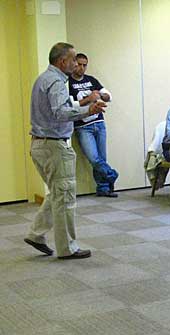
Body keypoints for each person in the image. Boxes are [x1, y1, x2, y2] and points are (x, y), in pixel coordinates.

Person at [25, 42, 106, 260]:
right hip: (54, 146)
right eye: (73, 60)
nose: (76, 63)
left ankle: (36, 234)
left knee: (58, 193)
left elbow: (57, 109)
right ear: (62, 62)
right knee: (65, 198)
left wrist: (82, 107)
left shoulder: (44, 78)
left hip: (40, 144)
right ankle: (67, 248)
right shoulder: (57, 81)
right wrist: (88, 109)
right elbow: (61, 113)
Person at [68, 53, 119, 197]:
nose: (81, 68)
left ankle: (103, 188)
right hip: (82, 125)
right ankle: (112, 174)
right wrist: (89, 98)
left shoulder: (91, 80)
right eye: (79, 64)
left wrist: (102, 96)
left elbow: (108, 96)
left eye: (85, 65)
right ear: (73, 63)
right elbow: (71, 106)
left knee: (102, 158)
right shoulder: (68, 83)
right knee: (94, 158)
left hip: (99, 122)